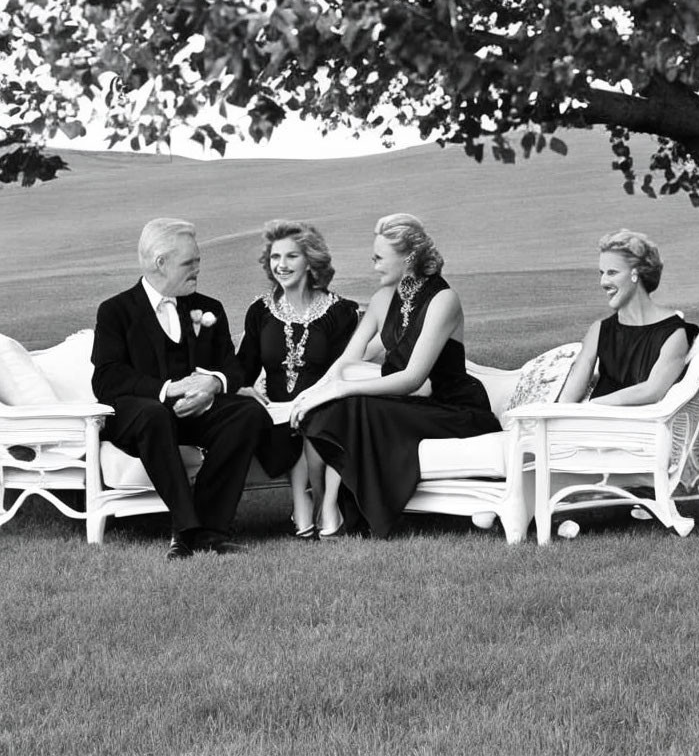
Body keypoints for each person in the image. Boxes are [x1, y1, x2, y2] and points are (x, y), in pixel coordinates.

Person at [289, 213, 501, 538]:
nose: (373, 266)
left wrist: (342, 389)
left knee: (355, 404)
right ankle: (329, 506)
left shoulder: (443, 300)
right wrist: (315, 391)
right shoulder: (382, 299)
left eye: (378, 258)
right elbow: (347, 360)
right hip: (411, 406)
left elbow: (413, 378)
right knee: (333, 406)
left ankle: (347, 510)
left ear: (409, 258)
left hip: (455, 411)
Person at [91, 218, 272, 559]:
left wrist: (212, 385)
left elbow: (232, 369)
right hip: (139, 415)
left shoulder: (210, 308)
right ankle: (185, 527)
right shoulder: (115, 311)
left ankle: (211, 530)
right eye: (190, 263)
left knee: (245, 412)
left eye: (198, 261)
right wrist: (166, 389)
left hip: (196, 411)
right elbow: (106, 379)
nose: (198, 270)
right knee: (154, 414)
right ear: (160, 263)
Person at [236, 220, 360, 540]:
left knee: (313, 420)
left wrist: (311, 400)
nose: (281, 265)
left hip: (324, 406)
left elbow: (343, 369)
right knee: (291, 422)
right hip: (274, 413)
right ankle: (305, 501)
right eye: (275, 257)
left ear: (310, 260)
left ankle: (317, 502)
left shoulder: (340, 311)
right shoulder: (259, 311)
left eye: (291, 256)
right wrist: (242, 387)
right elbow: (244, 367)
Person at [558, 229, 698, 405]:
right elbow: (569, 396)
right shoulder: (600, 330)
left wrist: (592, 407)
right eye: (601, 273)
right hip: (592, 425)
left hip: (637, 428)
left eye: (612, 272)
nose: (603, 282)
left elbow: (652, 390)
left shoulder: (674, 334)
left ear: (635, 274)